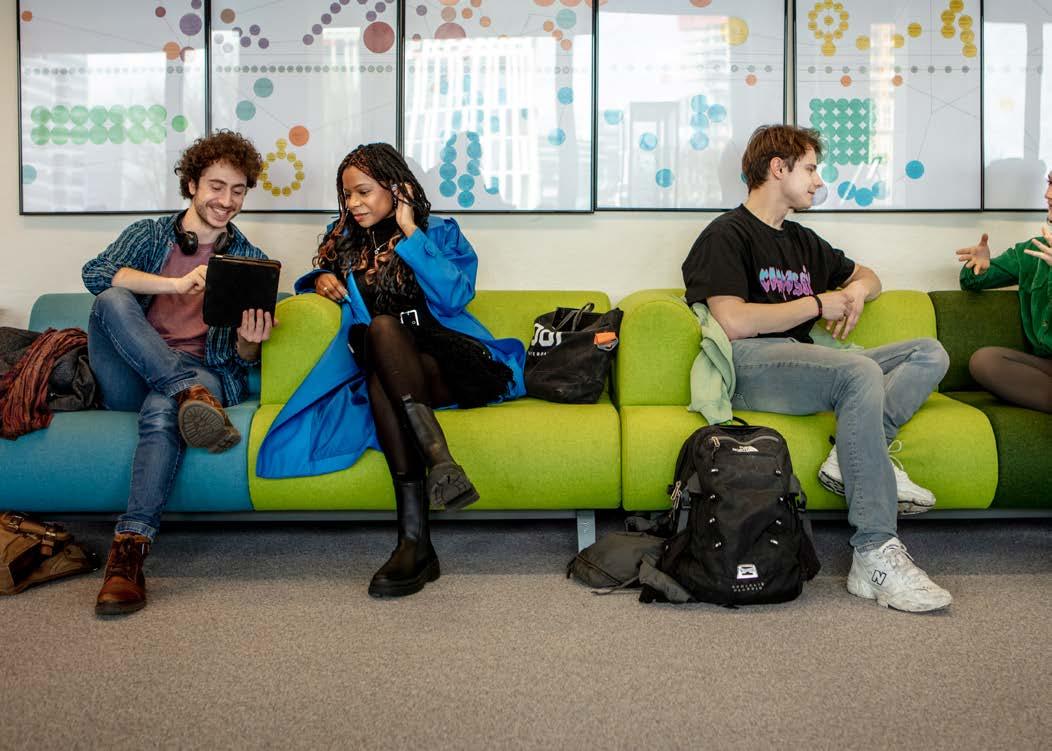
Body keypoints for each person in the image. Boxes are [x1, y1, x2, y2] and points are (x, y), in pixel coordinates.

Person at [681, 124, 953, 613]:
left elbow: (868, 275)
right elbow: (733, 321)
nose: (818, 181)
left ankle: (845, 460)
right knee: (859, 372)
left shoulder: (803, 240)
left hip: (805, 360)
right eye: (810, 169)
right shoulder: (726, 234)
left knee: (930, 352)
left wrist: (855, 292)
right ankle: (874, 552)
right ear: (777, 168)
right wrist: (815, 304)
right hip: (752, 362)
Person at [266, 142, 525, 598]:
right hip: (390, 365)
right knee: (382, 354)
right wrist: (319, 279)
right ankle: (434, 485)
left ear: (396, 189)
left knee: (383, 350)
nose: (353, 203)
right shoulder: (344, 239)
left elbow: (455, 296)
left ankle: (415, 540)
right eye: (347, 194)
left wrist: (409, 230)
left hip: (447, 360)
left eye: (363, 192)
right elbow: (318, 278)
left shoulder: (438, 233)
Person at [82, 130, 274, 615]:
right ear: (191, 184)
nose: (226, 201)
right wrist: (176, 283)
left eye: (237, 190)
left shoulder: (249, 260)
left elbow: (241, 360)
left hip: (204, 373)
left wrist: (251, 339)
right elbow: (96, 274)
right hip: (131, 370)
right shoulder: (149, 235)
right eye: (216, 186)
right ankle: (184, 390)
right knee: (111, 299)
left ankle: (128, 554)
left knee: (163, 408)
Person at [954, 174, 1052, 413]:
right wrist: (980, 264)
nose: (1047, 194)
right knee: (984, 361)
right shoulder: (1032, 250)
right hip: (1046, 367)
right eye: (1049, 183)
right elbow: (971, 281)